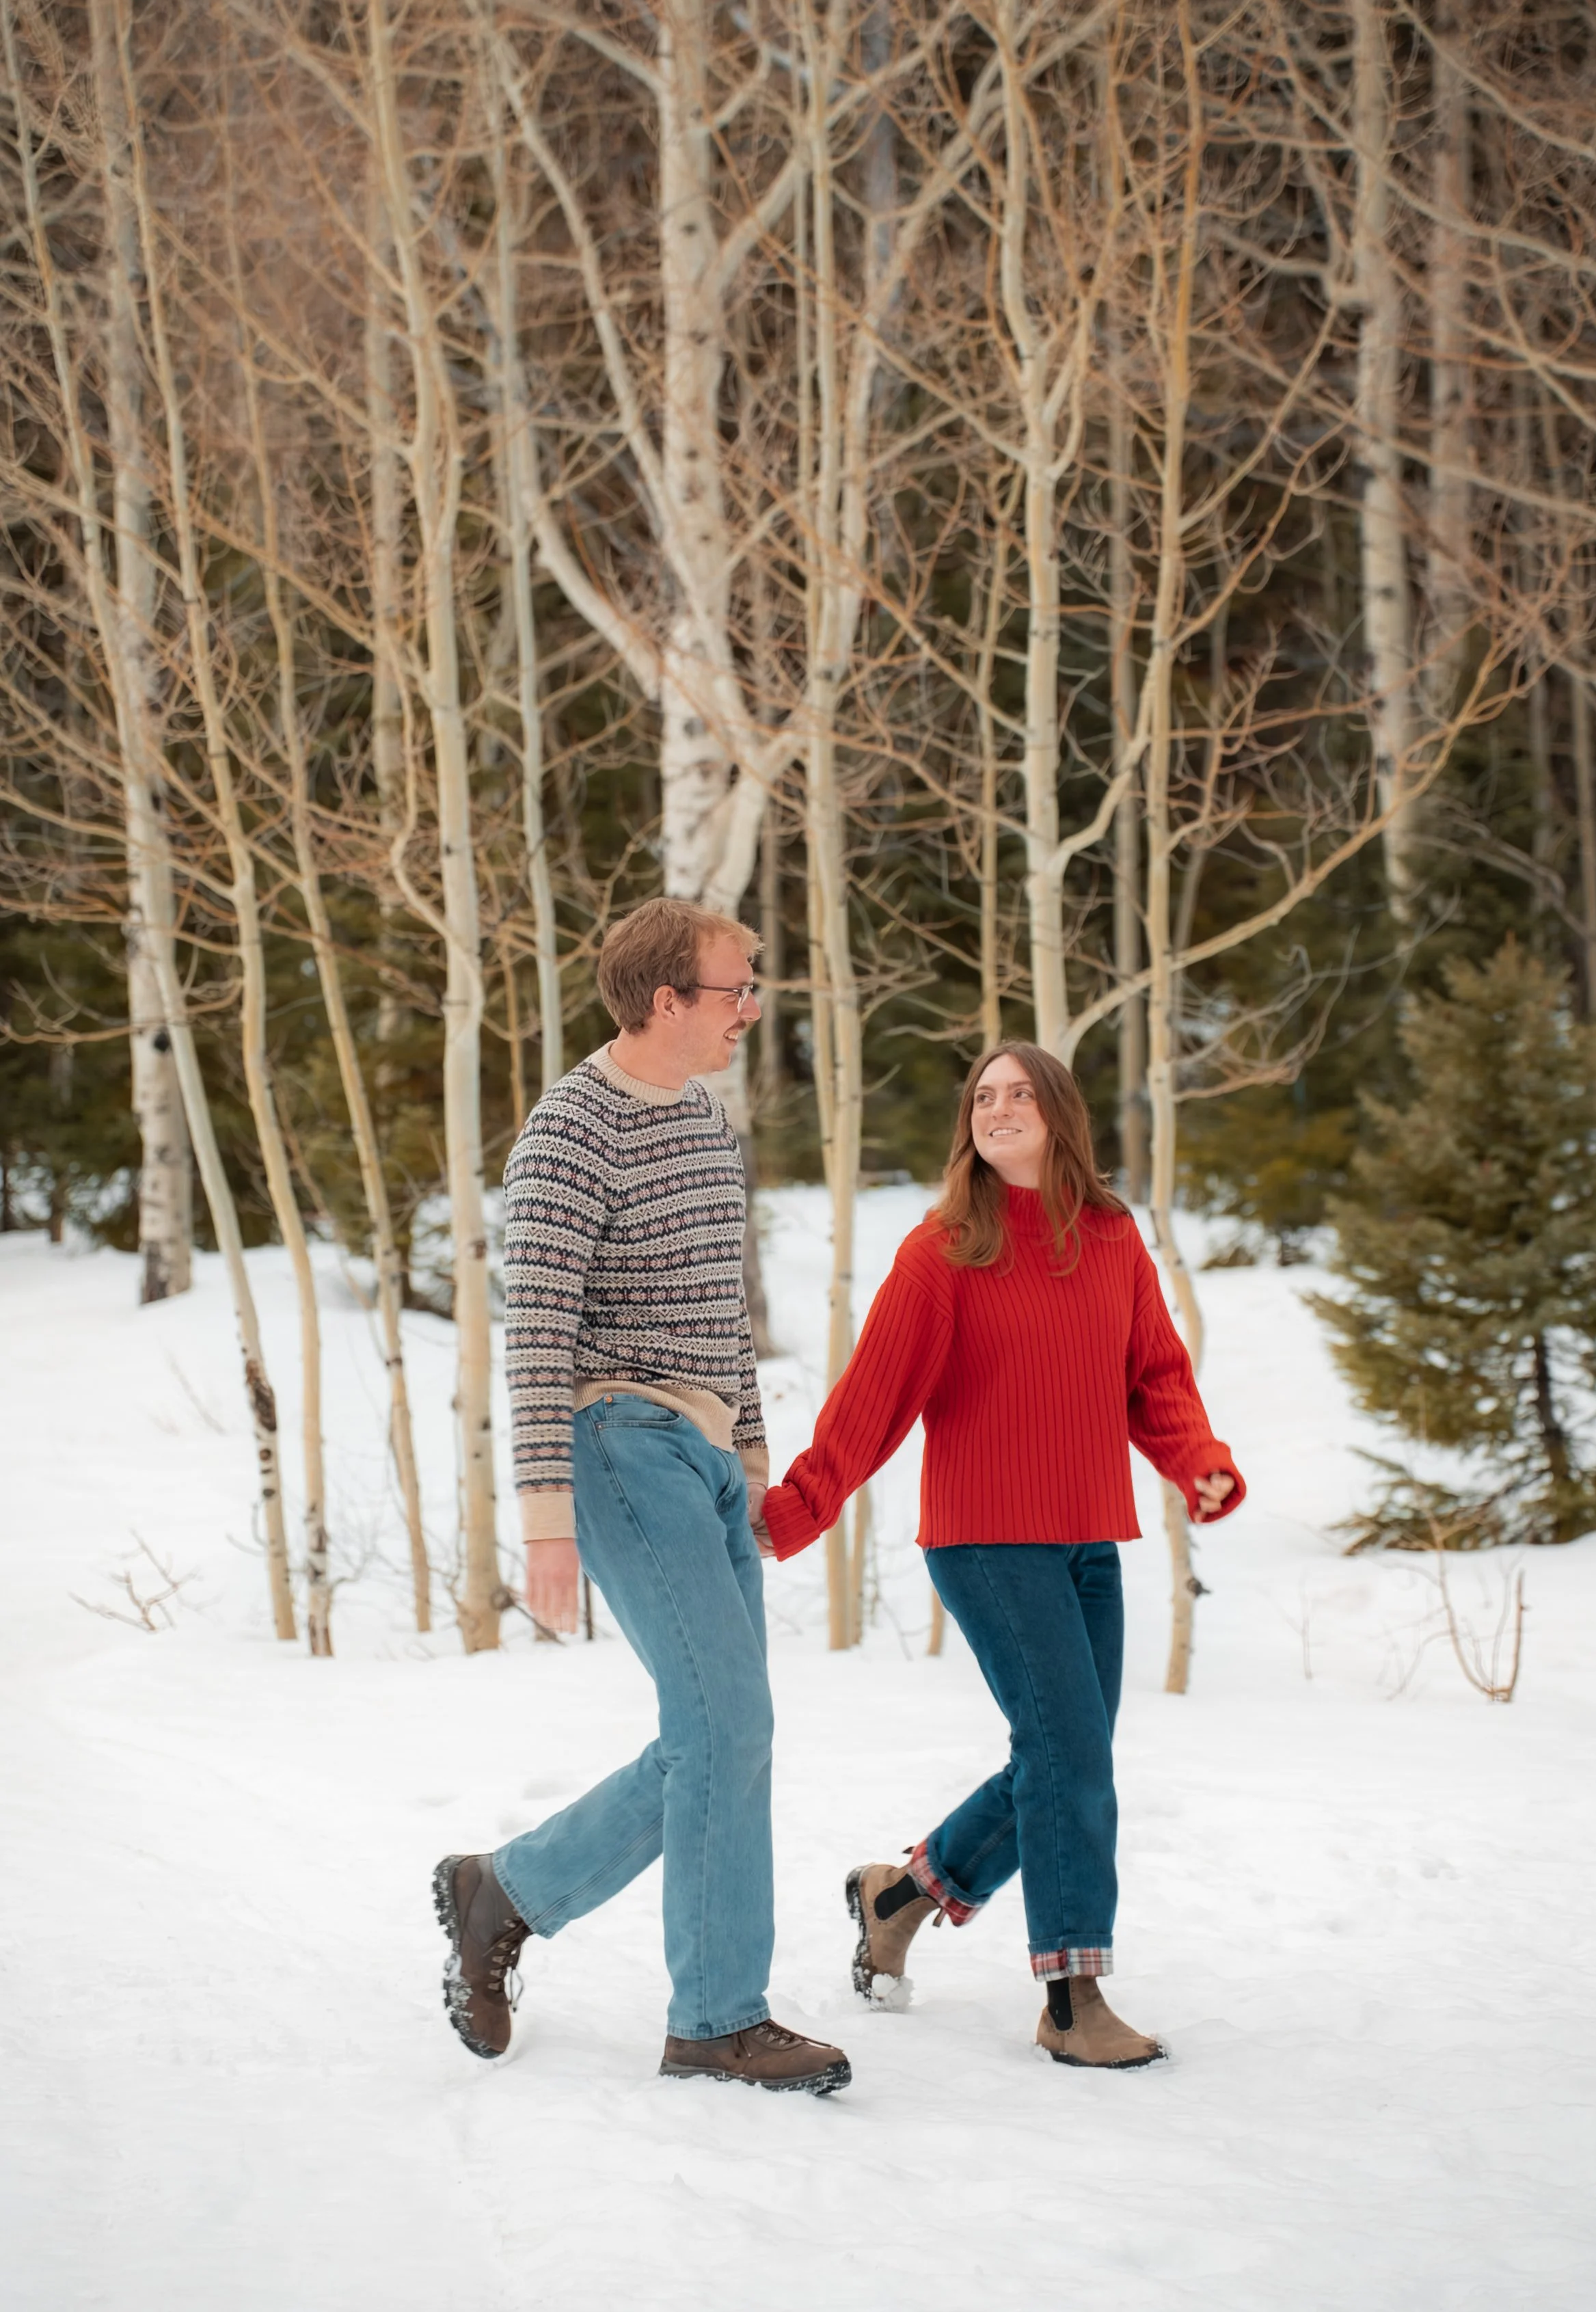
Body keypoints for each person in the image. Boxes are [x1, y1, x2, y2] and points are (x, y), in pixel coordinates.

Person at [433, 898, 850, 2096]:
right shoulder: (570, 1130)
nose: (751, 1008)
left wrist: (758, 1469)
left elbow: (728, 1315)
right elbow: (537, 1337)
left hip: (709, 1459)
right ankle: (717, 2017)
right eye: (737, 989)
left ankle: (503, 1889)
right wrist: (546, 1520)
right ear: (667, 999)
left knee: (726, 1737)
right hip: (618, 1438)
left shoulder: (710, 1127)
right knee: (727, 1729)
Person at [761, 1043, 1243, 2071]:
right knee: (1071, 1755)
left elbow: (1154, 1374)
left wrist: (1195, 1458)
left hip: (1087, 1536)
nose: (1000, 1108)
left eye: (1022, 1093)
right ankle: (1072, 1998)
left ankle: (900, 1894)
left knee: (1064, 1755)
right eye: (984, 1096)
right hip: (985, 1540)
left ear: (1061, 1114)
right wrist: (801, 1505)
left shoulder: (1111, 1239)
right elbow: (873, 1399)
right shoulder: (944, 1251)